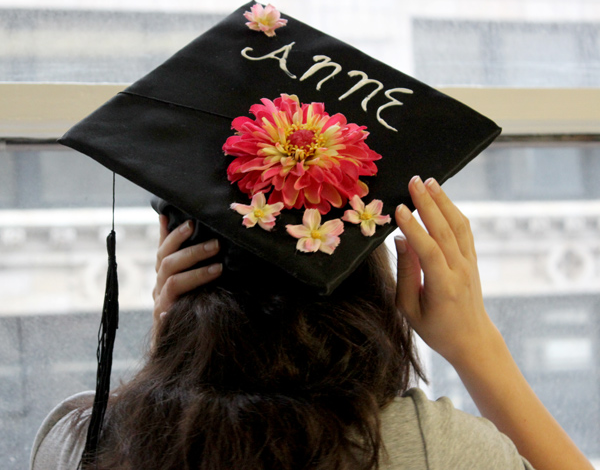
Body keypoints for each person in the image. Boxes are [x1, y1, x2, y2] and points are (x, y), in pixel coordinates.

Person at [30, 176, 593, 470]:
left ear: (172, 259)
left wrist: (176, 340)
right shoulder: (442, 452)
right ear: (372, 275)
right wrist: (476, 343)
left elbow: (175, 407)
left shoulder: (82, 443)